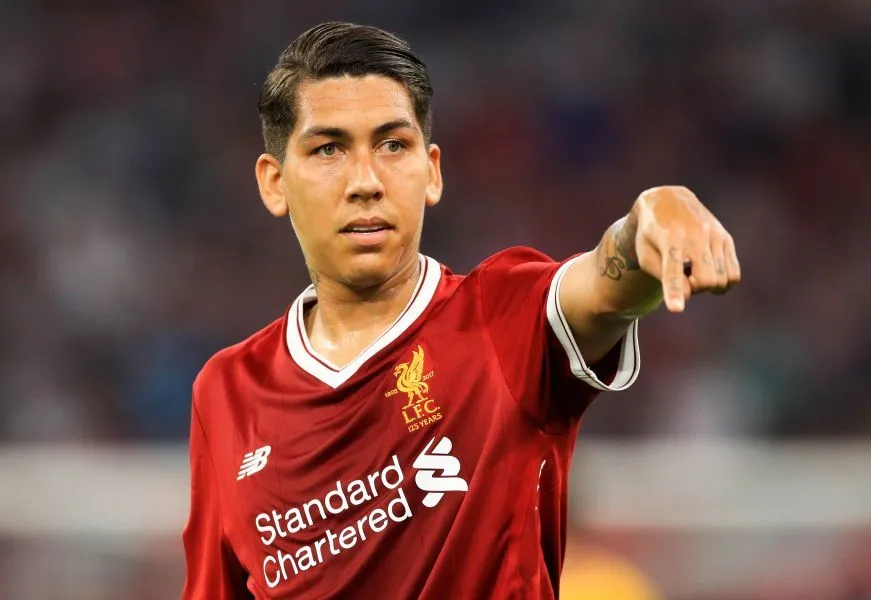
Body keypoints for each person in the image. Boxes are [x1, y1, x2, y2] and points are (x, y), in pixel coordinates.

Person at [181, 21, 740, 600]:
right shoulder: (226, 392)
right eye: (329, 149)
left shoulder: (499, 317)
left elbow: (600, 288)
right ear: (275, 182)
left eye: (393, 145)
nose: (365, 181)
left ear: (432, 171)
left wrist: (652, 215)